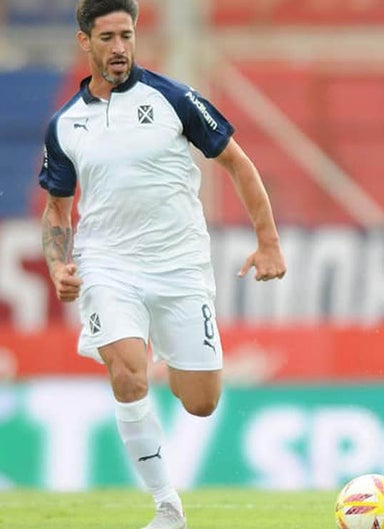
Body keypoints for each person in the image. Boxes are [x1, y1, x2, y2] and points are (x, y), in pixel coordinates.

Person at [39, 1, 286, 528]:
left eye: (126, 35)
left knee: (201, 402)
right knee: (128, 375)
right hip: (107, 266)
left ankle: (170, 354)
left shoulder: (174, 98)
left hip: (180, 268)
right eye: (107, 38)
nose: (119, 48)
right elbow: (58, 209)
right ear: (84, 42)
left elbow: (238, 163)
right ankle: (167, 505)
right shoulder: (65, 124)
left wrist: (268, 243)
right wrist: (59, 264)